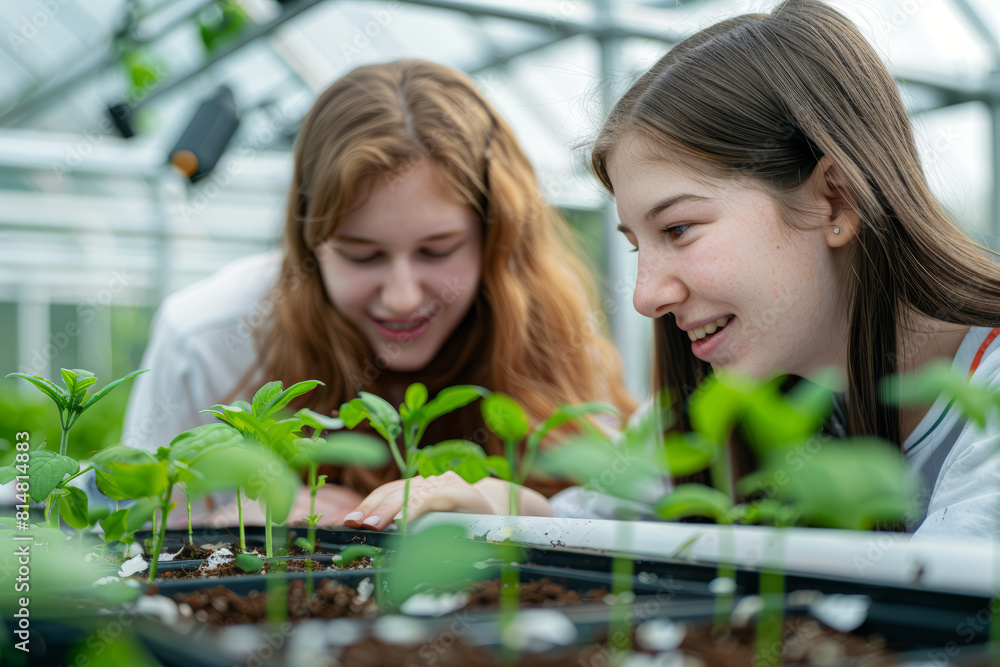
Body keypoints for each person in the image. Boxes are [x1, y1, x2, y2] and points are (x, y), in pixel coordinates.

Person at [122, 59, 636, 529]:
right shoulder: (209, 335)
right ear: (310, 242)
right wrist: (230, 522)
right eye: (361, 255)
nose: (403, 298)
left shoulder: (541, 318)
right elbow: (134, 523)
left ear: (495, 238)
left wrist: (510, 508)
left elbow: (620, 505)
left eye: (438, 250)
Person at [585, 0, 1000, 539]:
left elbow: (949, 600)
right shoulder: (749, 393)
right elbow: (593, 515)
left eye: (678, 229)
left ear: (834, 201)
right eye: (639, 246)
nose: (645, 298)